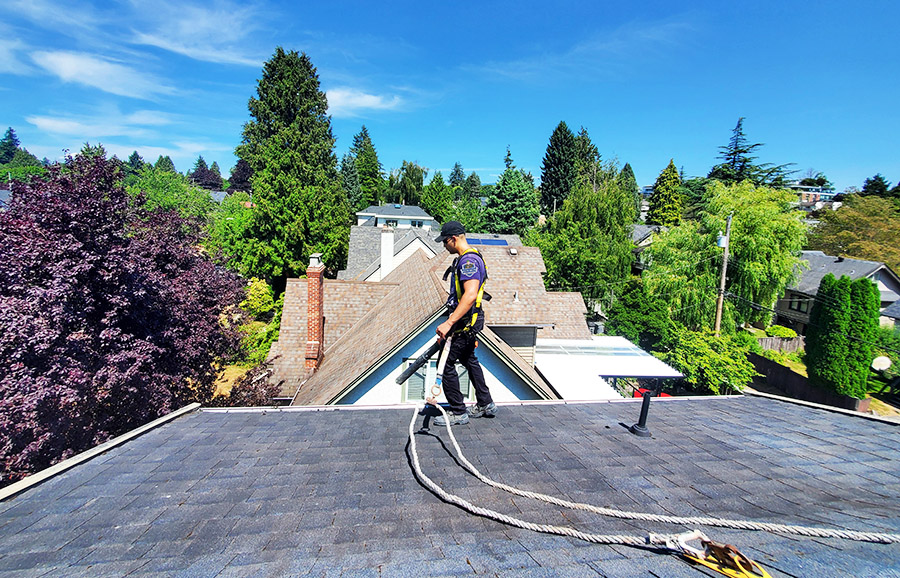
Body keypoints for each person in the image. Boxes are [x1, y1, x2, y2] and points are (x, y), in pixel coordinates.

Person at [431, 221, 496, 426]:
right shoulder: (469, 257)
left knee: (446, 363)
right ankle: (485, 403)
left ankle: (458, 412)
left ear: (454, 239)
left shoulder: (468, 262)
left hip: (464, 321)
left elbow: (469, 296)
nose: (444, 246)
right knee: (469, 359)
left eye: (445, 242)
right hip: (470, 320)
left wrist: (449, 323)